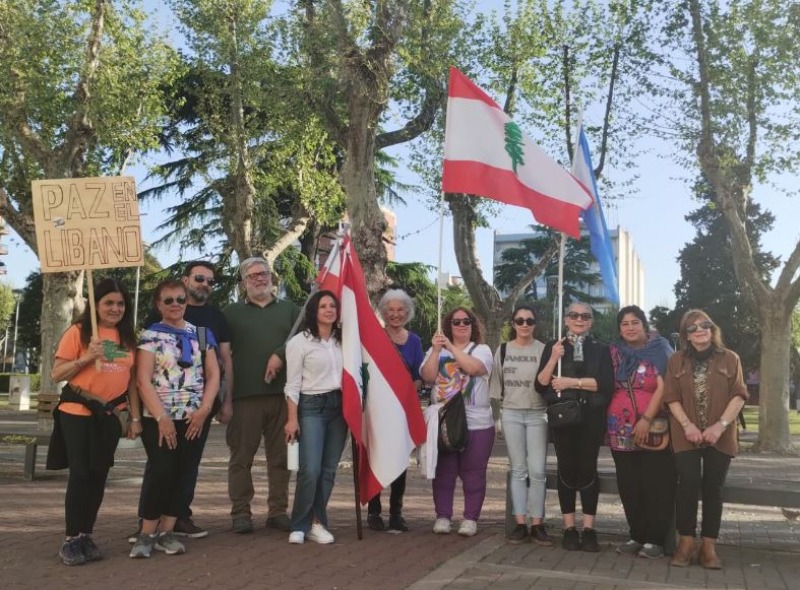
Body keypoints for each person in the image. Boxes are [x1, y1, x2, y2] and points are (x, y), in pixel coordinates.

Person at [129, 260, 234, 542]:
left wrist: (208, 408)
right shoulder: (152, 330)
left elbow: (217, 370)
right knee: (161, 469)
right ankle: (147, 525)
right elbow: (142, 378)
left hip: (195, 412)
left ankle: (173, 524)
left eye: (179, 300)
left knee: (187, 469)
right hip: (161, 413)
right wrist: (153, 416)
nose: (176, 303)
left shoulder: (208, 325)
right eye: (170, 300)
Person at [48, 278, 139, 566]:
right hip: (78, 410)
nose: (115, 308)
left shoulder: (127, 338)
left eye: (120, 303)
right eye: (108, 302)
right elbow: (57, 373)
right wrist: (88, 356)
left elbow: (133, 381)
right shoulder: (78, 332)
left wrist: (135, 418)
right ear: (95, 304)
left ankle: (86, 534)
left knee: (99, 475)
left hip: (110, 415)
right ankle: (71, 538)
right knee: (81, 473)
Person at [664, 309, 747, 570]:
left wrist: (720, 426)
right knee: (687, 484)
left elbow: (739, 395)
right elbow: (671, 397)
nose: (700, 330)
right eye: (693, 327)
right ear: (686, 335)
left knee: (713, 487)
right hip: (685, 433)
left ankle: (708, 546)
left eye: (705, 325)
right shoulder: (676, 360)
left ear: (713, 330)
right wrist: (687, 425)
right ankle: (686, 542)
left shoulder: (730, 358)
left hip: (719, 435)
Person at [222, 257, 300, 534]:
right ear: (244, 282)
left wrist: (279, 355)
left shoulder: (291, 311)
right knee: (241, 458)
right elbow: (220, 356)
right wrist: (224, 400)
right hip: (245, 397)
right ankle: (240, 513)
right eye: (252, 275)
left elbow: (303, 339)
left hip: (284, 398)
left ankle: (278, 511)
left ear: (272, 277)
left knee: (281, 459)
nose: (259, 279)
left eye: (263, 273)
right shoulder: (230, 313)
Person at [535, 302, 613, 552]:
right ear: (566, 319)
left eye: (585, 316)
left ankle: (589, 528)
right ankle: (569, 527)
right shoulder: (554, 346)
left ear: (591, 321)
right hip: (564, 418)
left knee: (588, 469)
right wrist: (554, 359)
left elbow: (605, 384)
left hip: (591, 416)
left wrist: (572, 382)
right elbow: (542, 384)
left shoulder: (600, 349)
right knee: (567, 468)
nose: (579, 319)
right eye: (574, 315)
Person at [606, 306, 676, 559]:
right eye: (624, 324)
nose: (630, 328)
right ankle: (637, 534)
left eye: (635, 322)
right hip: (619, 427)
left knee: (655, 482)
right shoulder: (614, 351)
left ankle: (655, 540)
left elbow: (664, 387)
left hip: (652, 425)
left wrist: (646, 418)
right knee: (629, 484)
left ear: (644, 325)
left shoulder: (661, 350)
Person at [420, 307, 494, 537]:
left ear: (473, 325)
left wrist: (451, 347)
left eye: (466, 321)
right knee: (444, 471)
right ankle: (443, 515)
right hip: (444, 421)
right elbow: (428, 377)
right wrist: (435, 351)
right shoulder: (437, 350)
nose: (461, 325)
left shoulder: (482, 350)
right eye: (455, 322)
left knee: (473, 472)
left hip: (476, 422)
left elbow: (474, 368)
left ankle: (470, 518)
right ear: (448, 325)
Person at [283, 290, 347, 544]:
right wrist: (292, 418)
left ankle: (318, 523)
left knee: (329, 469)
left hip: (339, 407)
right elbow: (292, 385)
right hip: (312, 406)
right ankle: (299, 523)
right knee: (310, 469)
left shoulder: (344, 341)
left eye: (333, 306)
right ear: (314, 311)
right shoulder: (299, 342)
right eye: (323, 306)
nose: (329, 310)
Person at [489, 305, 552, 545]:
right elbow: (496, 385)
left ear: (535, 324)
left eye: (529, 320)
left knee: (537, 471)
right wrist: (497, 417)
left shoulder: (545, 350)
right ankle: (519, 523)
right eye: (520, 320)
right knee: (518, 470)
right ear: (513, 324)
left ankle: (537, 524)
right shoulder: (503, 350)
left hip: (538, 414)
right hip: (512, 413)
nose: (524, 324)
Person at [367, 289, 424, 533]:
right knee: (376, 458)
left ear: (407, 312)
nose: (395, 314)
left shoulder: (415, 341)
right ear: (382, 312)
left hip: (402, 409)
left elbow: (419, 376)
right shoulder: (374, 338)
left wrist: (404, 398)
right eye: (390, 309)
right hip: (378, 409)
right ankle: (373, 511)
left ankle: (396, 513)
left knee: (400, 460)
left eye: (400, 309)